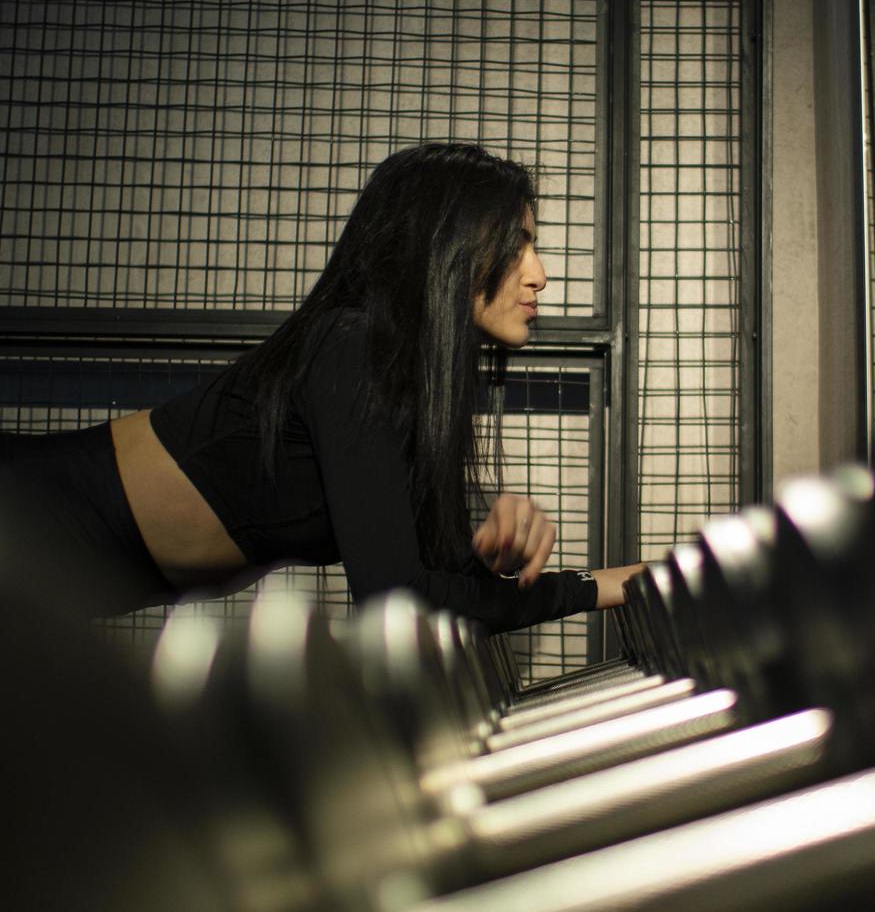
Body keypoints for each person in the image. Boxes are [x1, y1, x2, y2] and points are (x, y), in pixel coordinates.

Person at [0, 142, 641, 628]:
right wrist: (606, 586)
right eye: (519, 244)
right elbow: (398, 600)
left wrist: (497, 554)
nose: (540, 275)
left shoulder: (411, 383)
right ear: (444, 244)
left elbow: (435, 581)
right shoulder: (355, 349)